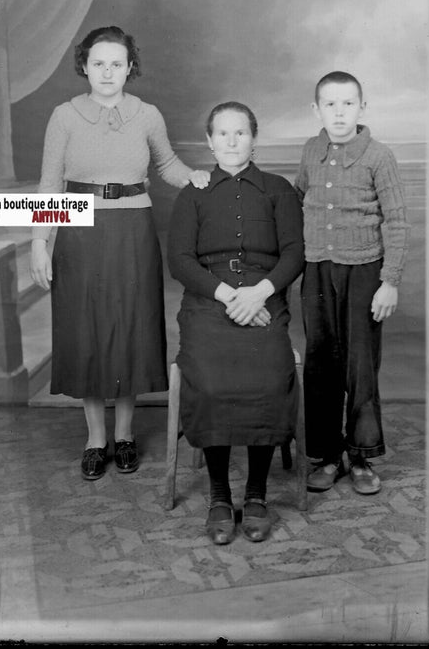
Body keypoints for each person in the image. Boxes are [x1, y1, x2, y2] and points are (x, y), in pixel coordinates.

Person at [30, 26, 209, 481]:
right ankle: (95, 438)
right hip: (79, 228)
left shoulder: (147, 115)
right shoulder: (64, 116)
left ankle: (125, 434)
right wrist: (39, 241)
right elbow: (50, 184)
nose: (107, 72)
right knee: (86, 328)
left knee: (131, 326)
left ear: (131, 67)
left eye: (117, 63)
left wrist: (197, 176)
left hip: (133, 228)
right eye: (98, 63)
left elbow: (166, 165)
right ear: (84, 67)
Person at [167, 101, 304, 545]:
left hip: (263, 300)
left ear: (254, 139)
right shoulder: (194, 193)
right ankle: (221, 495)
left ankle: (258, 493)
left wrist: (259, 293)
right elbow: (180, 261)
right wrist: (229, 296)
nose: (231, 141)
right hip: (210, 303)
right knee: (210, 382)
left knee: (267, 377)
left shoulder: (279, 189)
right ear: (209, 141)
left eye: (240, 133)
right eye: (221, 134)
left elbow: (293, 255)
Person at [294, 71, 410, 496]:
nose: (339, 112)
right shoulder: (310, 150)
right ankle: (328, 456)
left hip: (364, 273)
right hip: (317, 273)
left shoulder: (379, 156)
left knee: (360, 365)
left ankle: (360, 455)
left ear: (363, 107)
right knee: (321, 362)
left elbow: (397, 221)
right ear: (317, 110)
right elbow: (298, 200)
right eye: (330, 104)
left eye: (348, 103)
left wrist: (389, 281)